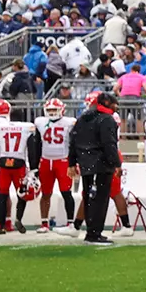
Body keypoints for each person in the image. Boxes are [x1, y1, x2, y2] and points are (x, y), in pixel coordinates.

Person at [71, 92, 122, 245]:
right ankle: (94, 233)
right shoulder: (107, 119)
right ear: (108, 103)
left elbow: (73, 140)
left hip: (86, 162)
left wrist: (71, 162)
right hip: (101, 164)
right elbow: (109, 144)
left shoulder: (83, 118)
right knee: (100, 200)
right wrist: (116, 163)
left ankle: (91, 232)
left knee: (88, 197)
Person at [33, 98, 77, 232]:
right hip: (45, 161)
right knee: (45, 193)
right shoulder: (40, 122)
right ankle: (44, 223)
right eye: (50, 110)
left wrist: (73, 162)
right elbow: (36, 144)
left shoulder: (69, 122)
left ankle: (70, 223)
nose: (52, 113)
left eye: (54, 110)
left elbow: (74, 142)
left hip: (62, 161)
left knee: (66, 192)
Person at [0, 100, 29, 233]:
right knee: (21, 193)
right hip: (19, 162)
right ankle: (12, 220)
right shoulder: (26, 126)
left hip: (0, 162)